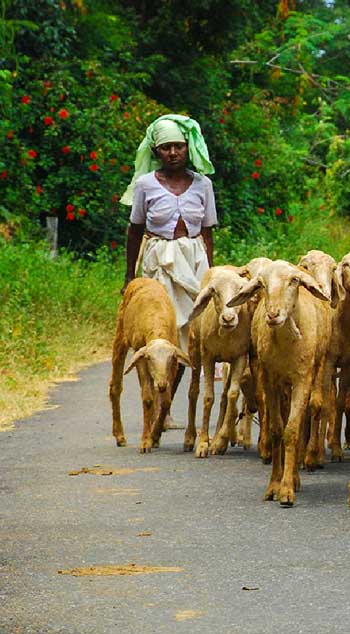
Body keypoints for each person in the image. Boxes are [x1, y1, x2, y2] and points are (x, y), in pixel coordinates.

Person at [121, 114, 217, 422]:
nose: (173, 153)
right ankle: (156, 403)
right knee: (161, 334)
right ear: (156, 152)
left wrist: (211, 276)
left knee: (187, 336)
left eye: (178, 146)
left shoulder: (203, 185)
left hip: (193, 260)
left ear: (188, 148)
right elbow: (134, 230)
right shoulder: (146, 185)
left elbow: (207, 232)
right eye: (165, 148)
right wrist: (129, 277)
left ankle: (167, 403)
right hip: (157, 261)